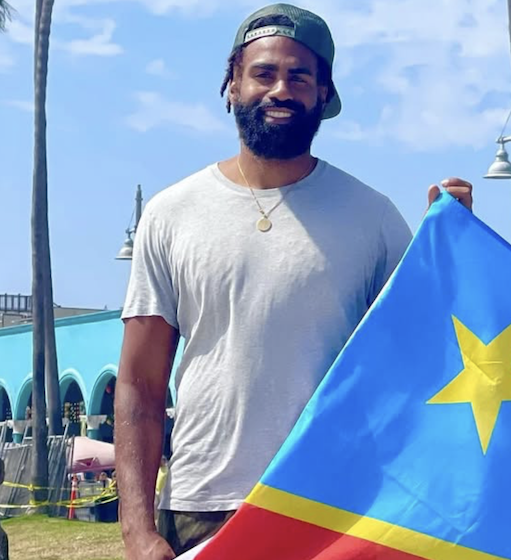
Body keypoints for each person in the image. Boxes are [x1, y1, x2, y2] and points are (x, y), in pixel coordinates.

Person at [114, 4, 474, 559]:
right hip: (203, 504)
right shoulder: (170, 214)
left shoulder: (372, 217)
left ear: (322, 95)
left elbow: (422, 358)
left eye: (299, 76)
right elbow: (139, 385)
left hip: (333, 505)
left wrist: (447, 249)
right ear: (232, 84)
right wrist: (137, 532)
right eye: (263, 73)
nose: (280, 89)